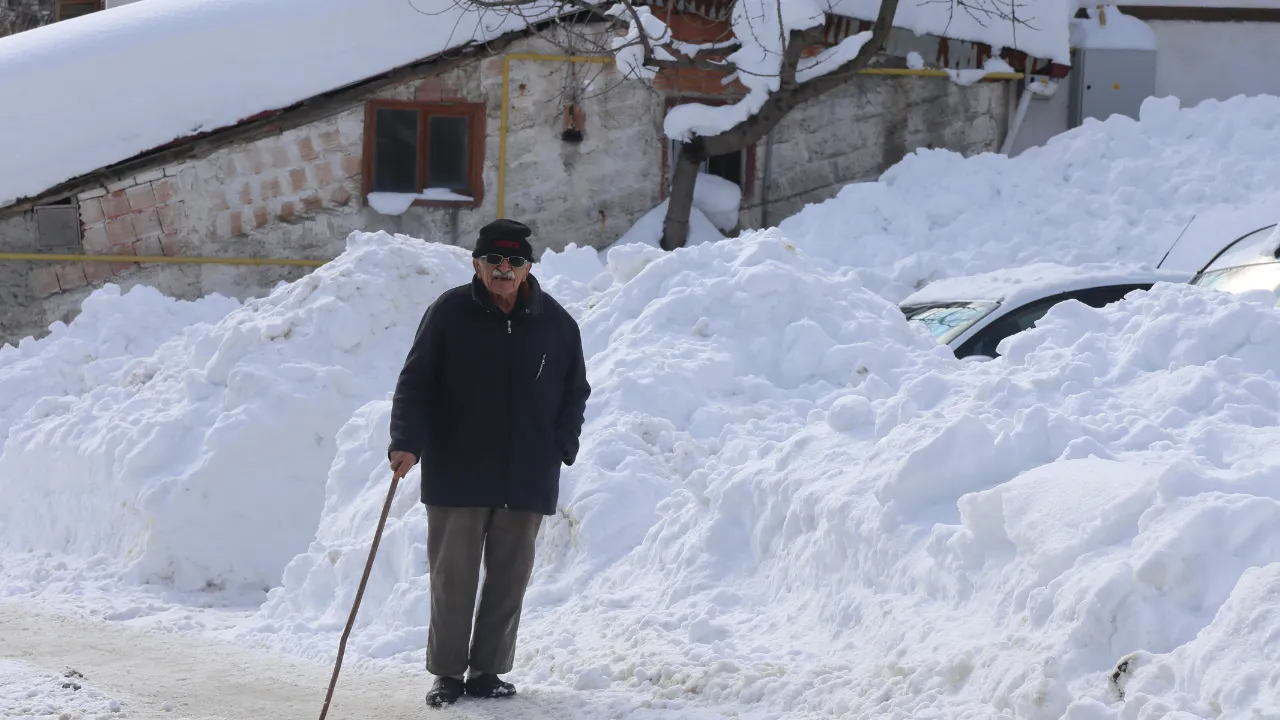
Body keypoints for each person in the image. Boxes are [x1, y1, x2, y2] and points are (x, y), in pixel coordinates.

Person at [386, 218, 591, 708]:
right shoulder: (449, 313)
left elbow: (575, 391)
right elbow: (416, 382)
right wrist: (406, 441)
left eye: (514, 261)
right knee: (452, 575)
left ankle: (488, 671)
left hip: (526, 472)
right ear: (476, 263)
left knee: (509, 574)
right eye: (494, 260)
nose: (504, 269)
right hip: (459, 466)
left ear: (527, 267)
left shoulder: (557, 323)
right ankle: (448, 674)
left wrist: (562, 443)